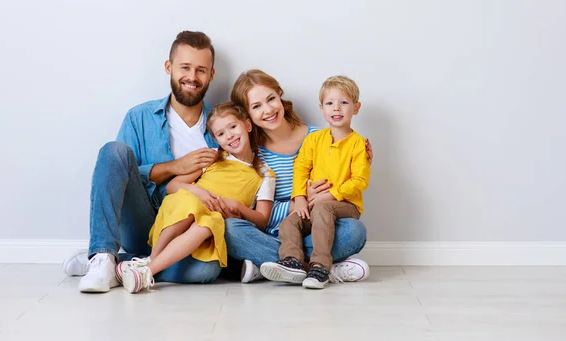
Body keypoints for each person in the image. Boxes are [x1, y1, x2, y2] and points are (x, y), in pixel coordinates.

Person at [62, 31, 227, 293]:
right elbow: (118, 175)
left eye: (201, 70)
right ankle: (103, 255)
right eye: (185, 67)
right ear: (168, 67)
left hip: (184, 232)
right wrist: (176, 167)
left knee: (206, 270)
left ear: (211, 74)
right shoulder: (139, 117)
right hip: (142, 222)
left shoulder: (223, 126)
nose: (192, 78)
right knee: (114, 151)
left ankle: (120, 267)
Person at [226, 70, 372, 284]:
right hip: (268, 234)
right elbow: (252, 205)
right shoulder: (249, 151)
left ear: (280, 96)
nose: (267, 110)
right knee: (230, 229)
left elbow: (347, 174)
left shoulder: (318, 138)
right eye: (256, 106)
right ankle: (318, 268)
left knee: (354, 231)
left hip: (311, 231)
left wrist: (361, 155)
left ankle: (271, 266)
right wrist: (299, 198)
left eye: (271, 99)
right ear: (247, 116)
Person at [118, 102, 275, 293]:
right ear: (216, 140)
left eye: (233, 127)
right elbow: (172, 187)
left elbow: (262, 220)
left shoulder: (265, 175)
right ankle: (152, 259)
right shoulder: (214, 158)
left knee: (210, 224)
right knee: (191, 203)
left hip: (212, 219)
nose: (230, 136)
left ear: (248, 126)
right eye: (221, 134)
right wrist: (199, 192)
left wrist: (238, 208)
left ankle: (146, 271)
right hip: (183, 206)